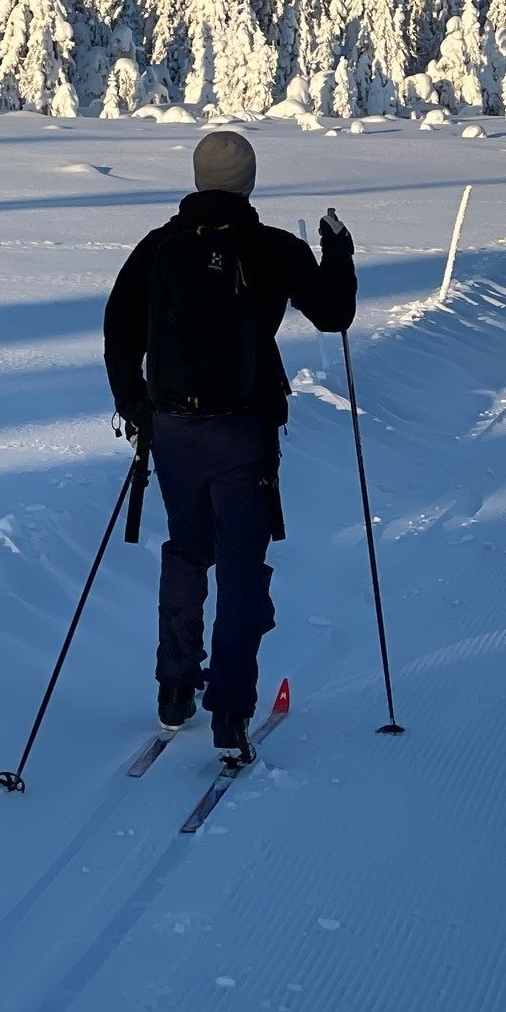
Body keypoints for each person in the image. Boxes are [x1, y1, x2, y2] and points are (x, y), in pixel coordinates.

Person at [103, 131, 356, 763]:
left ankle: (174, 689)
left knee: (188, 550)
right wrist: (338, 251)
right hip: (244, 430)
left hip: (173, 433)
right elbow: (334, 315)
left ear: (197, 179)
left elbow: (118, 330)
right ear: (249, 181)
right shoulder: (273, 247)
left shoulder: (157, 247)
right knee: (242, 563)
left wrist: (137, 408)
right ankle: (231, 714)